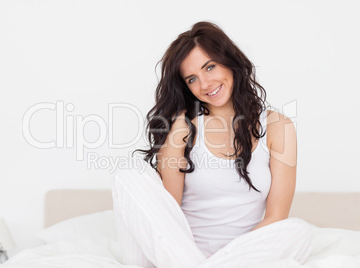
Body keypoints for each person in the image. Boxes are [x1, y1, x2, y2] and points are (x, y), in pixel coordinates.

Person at [112, 21, 314, 268]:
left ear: (229, 62)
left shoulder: (277, 127)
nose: (205, 84)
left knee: (298, 231)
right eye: (192, 79)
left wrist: (224, 259)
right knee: (128, 174)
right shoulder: (182, 127)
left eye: (210, 67)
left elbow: (276, 216)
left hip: (246, 255)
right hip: (178, 253)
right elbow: (167, 214)